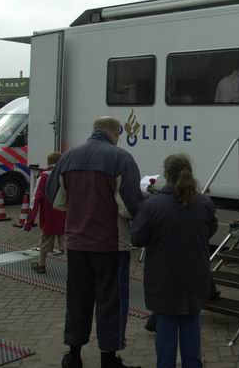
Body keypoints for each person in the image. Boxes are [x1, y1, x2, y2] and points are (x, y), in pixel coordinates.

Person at [46, 117, 144, 368]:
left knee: (77, 300)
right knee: (111, 302)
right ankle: (108, 359)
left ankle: (74, 356)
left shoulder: (67, 158)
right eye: (119, 133)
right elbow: (131, 205)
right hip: (110, 244)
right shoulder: (121, 158)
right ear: (114, 132)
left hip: (76, 243)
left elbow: (54, 197)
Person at [131, 154, 217, 368]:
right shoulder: (205, 203)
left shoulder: (152, 205)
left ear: (166, 175)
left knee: (166, 330)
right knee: (191, 326)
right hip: (195, 276)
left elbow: (138, 238)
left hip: (163, 279)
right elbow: (210, 230)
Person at [24, 151, 65, 274]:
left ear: (48, 163)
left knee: (45, 241)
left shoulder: (44, 176)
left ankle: (41, 264)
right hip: (65, 217)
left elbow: (36, 198)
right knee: (68, 242)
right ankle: (74, 269)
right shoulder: (66, 175)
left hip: (49, 217)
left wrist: (29, 222)